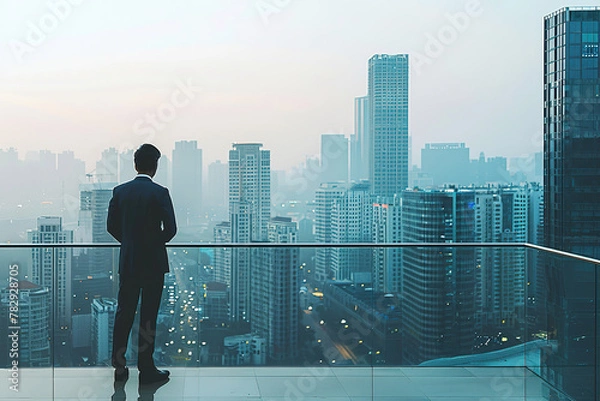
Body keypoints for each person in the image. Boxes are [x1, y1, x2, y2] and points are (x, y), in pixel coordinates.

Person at [107, 144, 177, 385]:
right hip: (153, 265)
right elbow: (171, 230)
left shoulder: (120, 192)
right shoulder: (160, 193)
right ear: (154, 167)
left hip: (129, 262)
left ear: (135, 165)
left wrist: (130, 243)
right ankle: (146, 369)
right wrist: (151, 244)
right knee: (148, 317)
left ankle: (119, 365)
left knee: (123, 313)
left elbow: (111, 227)